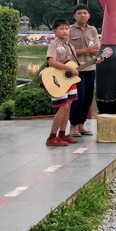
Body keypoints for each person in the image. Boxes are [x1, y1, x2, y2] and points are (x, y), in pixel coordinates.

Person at [45, 19, 79, 147]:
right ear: (55, 31)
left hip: (68, 79)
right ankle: (51, 137)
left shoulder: (70, 45)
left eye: (67, 28)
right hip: (57, 80)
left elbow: (73, 63)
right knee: (63, 106)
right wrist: (69, 68)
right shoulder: (53, 45)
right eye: (62, 28)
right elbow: (51, 62)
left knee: (68, 106)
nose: (65, 31)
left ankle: (62, 134)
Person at [68, 4, 100, 138]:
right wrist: (86, 51)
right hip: (76, 69)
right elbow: (68, 51)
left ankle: (81, 125)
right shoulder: (69, 30)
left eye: (85, 13)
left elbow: (96, 48)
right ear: (74, 16)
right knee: (78, 98)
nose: (82, 15)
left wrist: (97, 57)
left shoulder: (92, 30)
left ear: (89, 16)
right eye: (79, 13)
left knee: (87, 98)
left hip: (90, 68)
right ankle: (73, 126)